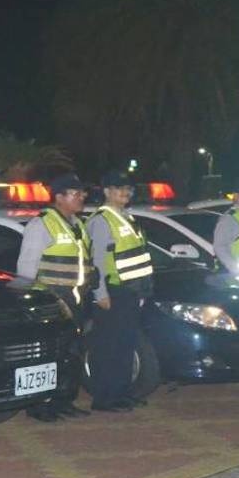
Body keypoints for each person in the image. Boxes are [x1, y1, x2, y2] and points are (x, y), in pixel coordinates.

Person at [12, 174, 92, 421]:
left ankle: (63, 400)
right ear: (59, 197)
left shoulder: (77, 223)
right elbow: (27, 266)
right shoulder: (42, 224)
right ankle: (41, 406)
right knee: (49, 355)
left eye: (82, 194)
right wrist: (30, 300)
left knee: (71, 353)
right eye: (75, 194)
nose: (81, 198)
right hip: (51, 301)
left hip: (75, 300)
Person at [85, 171, 155, 412]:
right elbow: (98, 262)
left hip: (130, 292)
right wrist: (100, 294)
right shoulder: (102, 220)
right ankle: (104, 398)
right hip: (112, 293)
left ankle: (121, 392)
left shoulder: (126, 217)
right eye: (119, 188)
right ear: (106, 192)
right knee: (109, 346)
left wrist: (142, 291)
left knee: (126, 344)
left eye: (128, 189)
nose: (125, 193)